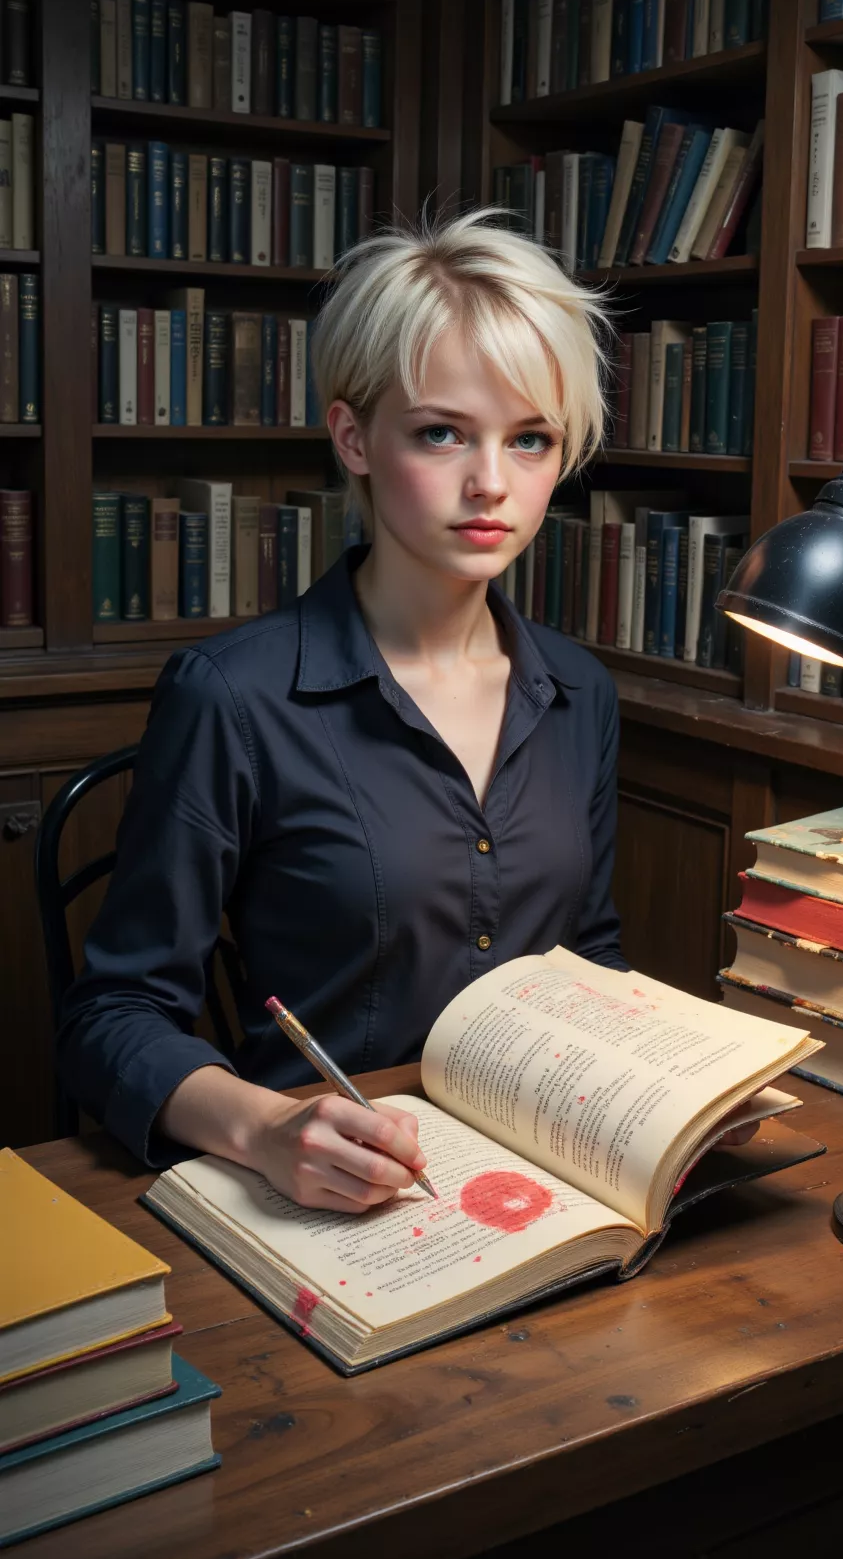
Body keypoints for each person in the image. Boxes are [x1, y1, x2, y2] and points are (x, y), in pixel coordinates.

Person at [58, 207, 755, 1216]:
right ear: (353, 435)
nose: (490, 485)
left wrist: (674, 1094)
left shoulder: (577, 694)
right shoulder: (231, 697)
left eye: (529, 441)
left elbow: (585, 956)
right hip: (328, 1189)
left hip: (545, 1181)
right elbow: (110, 1016)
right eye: (441, 433)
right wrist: (265, 1129)